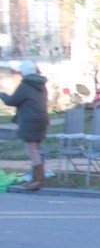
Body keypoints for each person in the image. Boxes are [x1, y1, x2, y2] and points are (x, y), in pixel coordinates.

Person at [1, 60, 49, 190]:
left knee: (32, 150)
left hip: (29, 121)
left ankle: (39, 179)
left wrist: (3, 95)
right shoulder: (41, 85)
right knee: (37, 149)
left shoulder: (25, 85)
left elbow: (13, 101)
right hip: (42, 120)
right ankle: (35, 178)